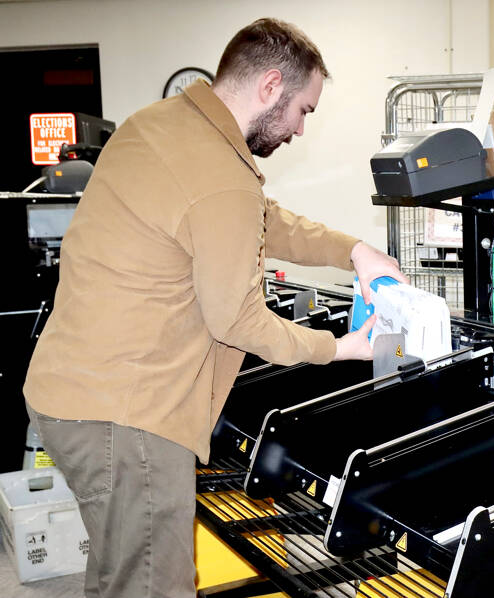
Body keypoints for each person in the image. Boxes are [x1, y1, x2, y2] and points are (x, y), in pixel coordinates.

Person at [23, 17, 407, 598]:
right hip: (130, 418)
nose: (301, 130)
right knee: (155, 586)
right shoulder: (220, 172)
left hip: (74, 397)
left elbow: (258, 216)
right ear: (271, 87)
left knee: (121, 572)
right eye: (304, 110)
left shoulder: (157, 127)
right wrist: (341, 348)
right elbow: (239, 319)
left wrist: (352, 250)